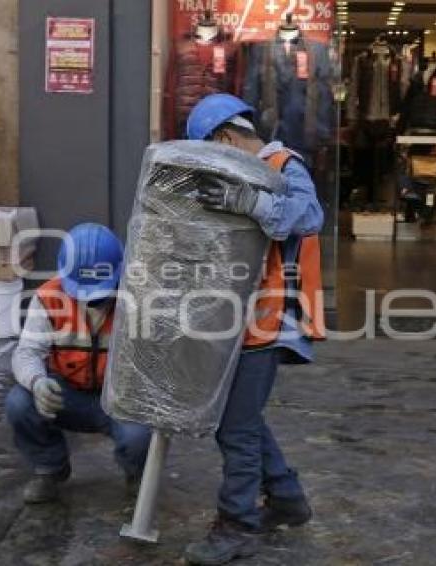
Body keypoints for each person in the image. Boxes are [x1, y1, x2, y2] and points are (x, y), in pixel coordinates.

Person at [182, 94, 326, 565]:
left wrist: (249, 200)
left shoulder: (284, 165)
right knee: (242, 419)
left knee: (235, 429)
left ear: (225, 139)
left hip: (267, 320)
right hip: (234, 319)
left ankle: (236, 525)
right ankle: (286, 498)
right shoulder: (233, 179)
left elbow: (310, 216)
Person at [5, 223, 151, 504]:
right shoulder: (48, 299)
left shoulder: (138, 303)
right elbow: (27, 353)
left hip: (119, 398)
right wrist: (37, 382)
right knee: (19, 403)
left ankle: (137, 475)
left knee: (139, 433)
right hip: (66, 394)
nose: (93, 300)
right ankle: (50, 468)